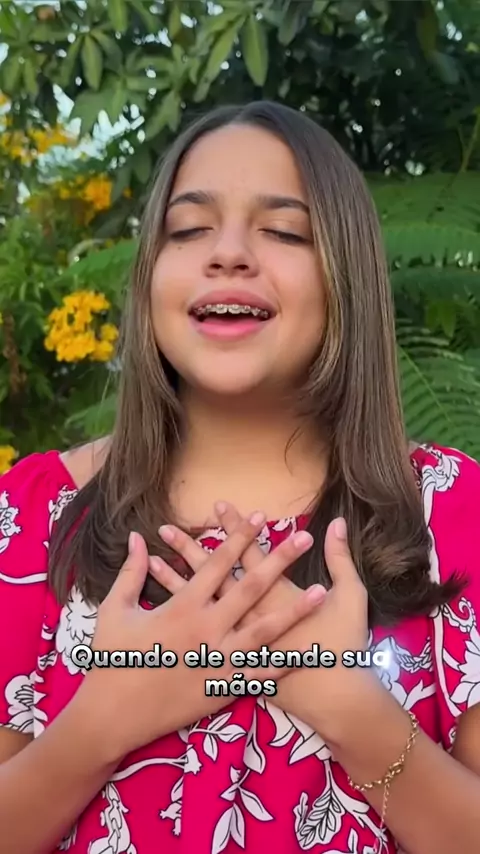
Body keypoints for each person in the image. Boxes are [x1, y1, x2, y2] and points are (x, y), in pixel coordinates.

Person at [0, 101, 478, 854]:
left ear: (347, 276)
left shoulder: (451, 511)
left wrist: (347, 706)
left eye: (284, 231)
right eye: (189, 228)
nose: (228, 253)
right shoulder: (32, 517)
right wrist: (105, 719)